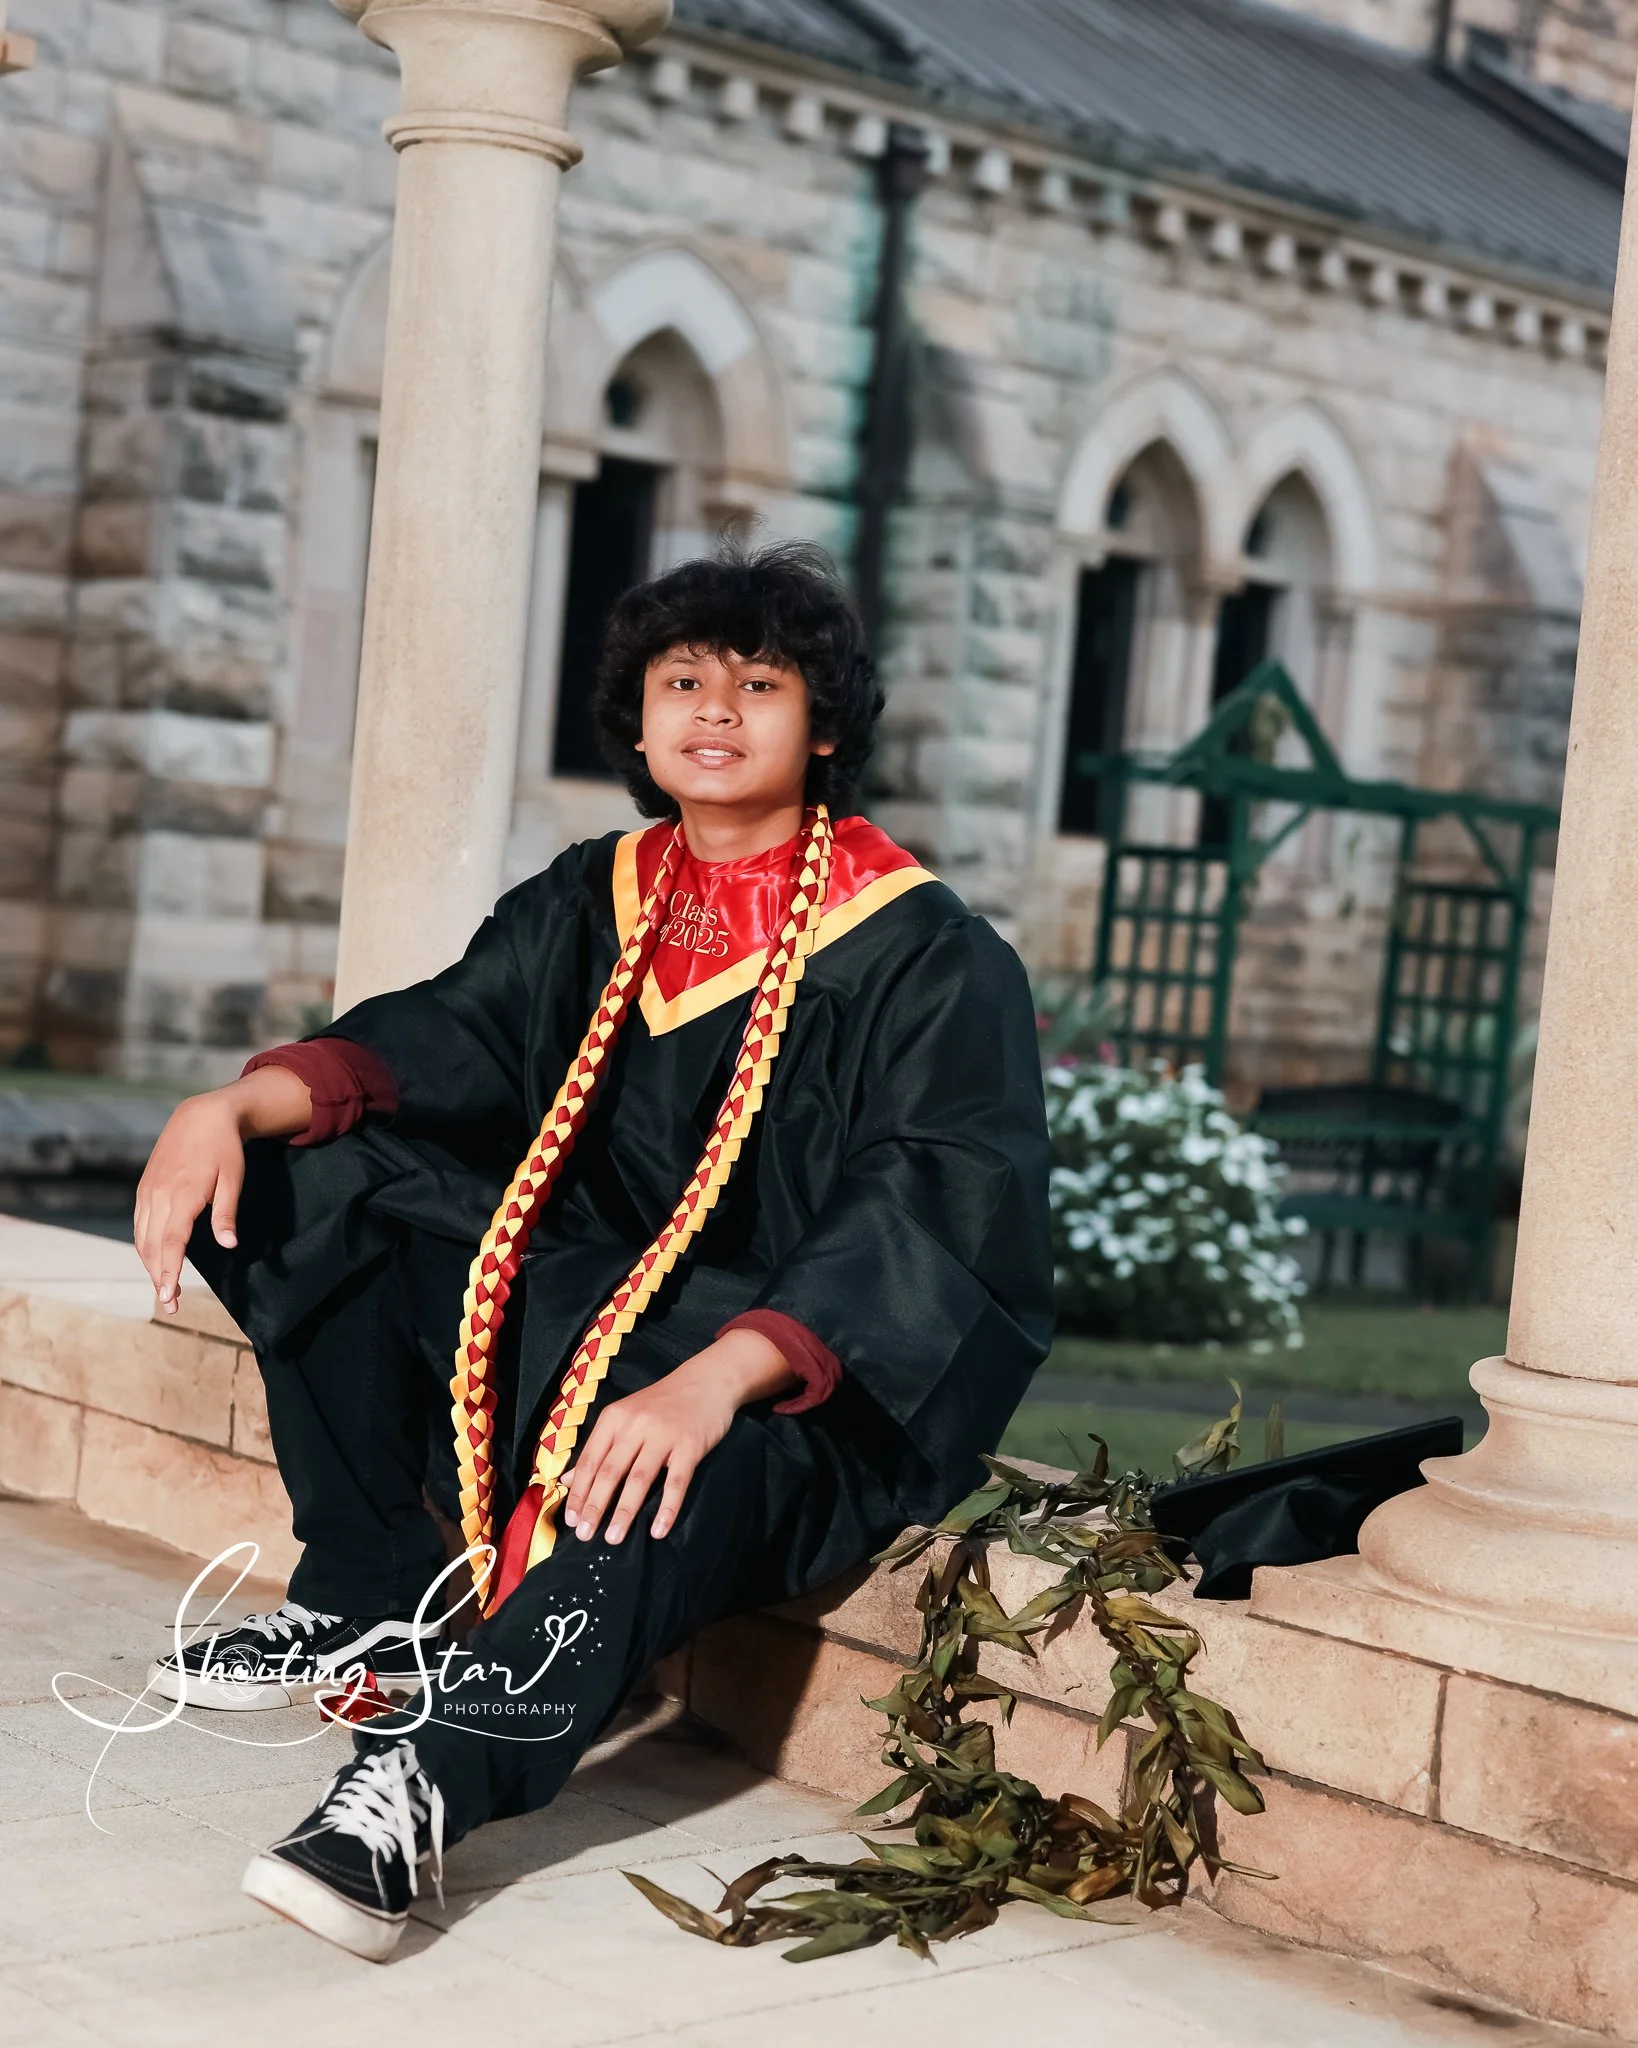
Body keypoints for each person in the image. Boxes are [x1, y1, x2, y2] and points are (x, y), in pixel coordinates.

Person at [131, 542, 1053, 1962]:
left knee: (676, 1464)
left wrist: (719, 1376)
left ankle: (428, 1777)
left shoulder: (926, 953)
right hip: (586, 1308)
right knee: (298, 1170)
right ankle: (373, 1608)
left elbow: (935, 1202)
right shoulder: (599, 893)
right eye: (684, 680)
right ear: (637, 720)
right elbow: (443, 1036)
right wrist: (229, 1104)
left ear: (824, 726)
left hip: (795, 1374)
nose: (717, 711)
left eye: (762, 683)